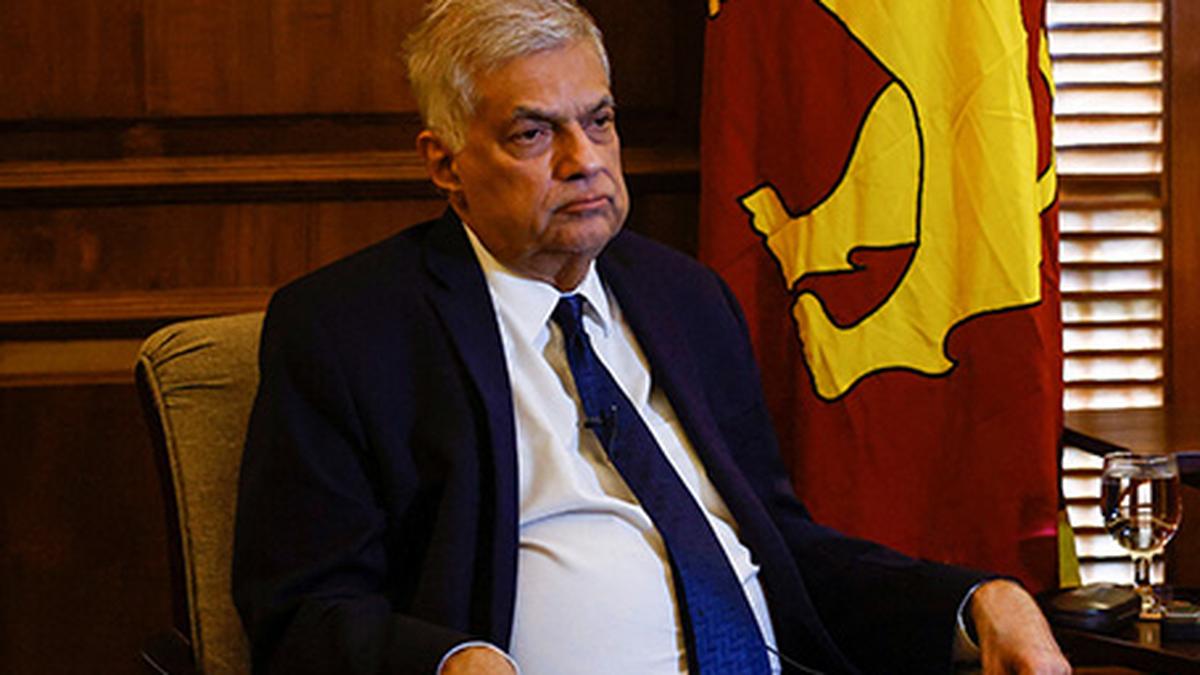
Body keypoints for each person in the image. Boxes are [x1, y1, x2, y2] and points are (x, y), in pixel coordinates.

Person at [232, 1, 1071, 673]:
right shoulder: (350, 329)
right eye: (534, 134)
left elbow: (783, 550)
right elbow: (303, 611)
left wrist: (976, 601)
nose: (584, 160)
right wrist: (449, 660)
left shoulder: (685, 298)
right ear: (445, 162)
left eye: (599, 121)